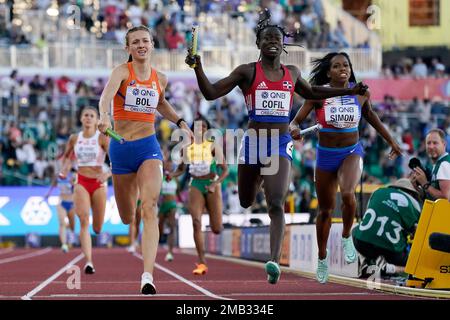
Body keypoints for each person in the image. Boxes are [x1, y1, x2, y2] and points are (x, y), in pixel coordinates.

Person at [185, 12, 368, 284]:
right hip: (253, 144)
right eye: (267, 37)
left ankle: (273, 261)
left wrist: (347, 92)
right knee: (247, 200)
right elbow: (211, 93)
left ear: (283, 45)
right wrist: (197, 67)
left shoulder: (292, 73)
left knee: (276, 204)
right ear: (258, 43)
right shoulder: (247, 71)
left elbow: (314, 94)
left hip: (280, 145)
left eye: (277, 38)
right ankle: (258, 179)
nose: (272, 41)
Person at [289, 52, 402, 284]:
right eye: (337, 65)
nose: (344, 68)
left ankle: (347, 235)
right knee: (325, 211)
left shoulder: (361, 93)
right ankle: (322, 257)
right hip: (325, 156)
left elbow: (372, 117)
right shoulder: (317, 93)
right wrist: (294, 128)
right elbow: (295, 121)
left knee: (348, 194)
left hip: (351, 152)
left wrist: (391, 141)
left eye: (346, 65)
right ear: (328, 72)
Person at [97, 25, 193, 295]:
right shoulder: (121, 72)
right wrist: (104, 116)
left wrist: (181, 121)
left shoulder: (159, 78)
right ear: (128, 48)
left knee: (150, 207)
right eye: (135, 42)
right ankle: (135, 196)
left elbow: (161, 104)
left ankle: (148, 275)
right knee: (128, 216)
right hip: (121, 149)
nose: (141, 45)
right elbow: (105, 97)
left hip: (148, 148)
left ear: (152, 45)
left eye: (145, 41)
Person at [169, 116, 229, 274]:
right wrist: (172, 175)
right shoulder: (186, 148)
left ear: (207, 130)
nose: (199, 129)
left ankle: (215, 213)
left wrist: (215, 185)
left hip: (212, 184)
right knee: (196, 222)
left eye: (203, 126)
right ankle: (202, 261)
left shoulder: (212, 146)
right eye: (196, 126)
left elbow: (225, 169)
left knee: (216, 228)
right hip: (195, 185)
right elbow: (182, 169)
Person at [60, 106, 111, 274]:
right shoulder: (75, 138)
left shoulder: (102, 138)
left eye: (92, 115)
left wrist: (107, 174)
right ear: (81, 119)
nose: (88, 118)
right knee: (83, 220)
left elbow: (116, 161)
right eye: (86, 115)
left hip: (98, 182)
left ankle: (95, 235)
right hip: (81, 180)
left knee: (97, 228)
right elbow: (67, 157)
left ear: (97, 120)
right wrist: (65, 170)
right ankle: (89, 261)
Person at [352, 178, 422, 278]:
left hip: (363, 243)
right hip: (390, 250)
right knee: (413, 264)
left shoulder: (378, 192)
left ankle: (366, 262)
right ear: (412, 193)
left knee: (357, 231)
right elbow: (417, 232)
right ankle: (388, 269)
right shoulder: (413, 205)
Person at [44, 163, 76, 253]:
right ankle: (64, 244)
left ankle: (69, 233)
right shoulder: (57, 176)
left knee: (72, 226)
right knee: (61, 223)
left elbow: (77, 188)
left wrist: (73, 183)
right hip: (61, 201)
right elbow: (53, 185)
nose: (65, 167)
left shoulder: (73, 176)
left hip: (72, 202)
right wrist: (48, 194)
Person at [410, 128, 450, 201]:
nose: (431, 147)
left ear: (444, 144)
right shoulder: (438, 164)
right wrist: (417, 188)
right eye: (428, 143)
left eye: (435, 143)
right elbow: (432, 197)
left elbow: (446, 199)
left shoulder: (444, 164)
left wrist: (424, 183)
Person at [158, 156, 178, 262]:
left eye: (170, 164)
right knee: (159, 229)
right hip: (162, 205)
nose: (168, 166)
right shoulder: (160, 176)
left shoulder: (176, 178)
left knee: (172, 227)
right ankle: (155, 248)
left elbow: (179, 191)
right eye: (167, 164)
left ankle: (170, 252)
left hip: (172, 204)